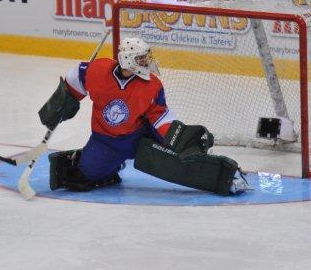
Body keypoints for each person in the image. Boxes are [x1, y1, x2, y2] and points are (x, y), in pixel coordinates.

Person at [38, 37, 250, 196]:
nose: (146, 61)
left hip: (140, 136)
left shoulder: (152, 85)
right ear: (127, 60)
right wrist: (62, 100)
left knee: (179, 160)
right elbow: (77, 77)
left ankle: (227, 175)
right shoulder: (98, 71)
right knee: (82, 178)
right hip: (106, 140)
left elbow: (160, 116)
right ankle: (110, 165)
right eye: (141, 58)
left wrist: (181, 137)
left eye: (146, 57)